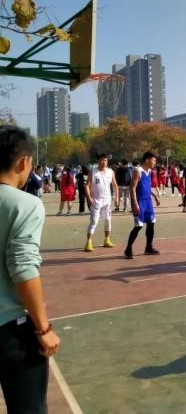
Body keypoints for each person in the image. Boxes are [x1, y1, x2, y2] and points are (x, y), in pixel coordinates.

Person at [0, 126, 61, 413]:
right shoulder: (25, 204)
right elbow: (23, 267)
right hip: (11, 331)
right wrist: (43, 327)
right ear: (23, 162)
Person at [124, 151, 161, 259]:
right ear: (147, 160)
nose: (155, 162)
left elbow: (147, 187)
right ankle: (128, 249)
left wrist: (155, 196)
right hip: (139, 201)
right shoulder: (138, 171)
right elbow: (132, 188)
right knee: (138, 226)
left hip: (148, 201)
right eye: (154, 160)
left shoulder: (149, 171)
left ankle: (148, 247)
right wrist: (135, 203)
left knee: (151, 223)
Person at [84, 154, 119, 252]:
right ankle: (88, 242)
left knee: (107, 219)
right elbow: (87, 186)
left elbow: (115, 185)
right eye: (102, 160)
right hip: (96, 200)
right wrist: (89, 198)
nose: (104, 162)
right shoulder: (93, 172)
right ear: (98, 161)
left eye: (106, 160)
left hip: (107, 200)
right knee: (94, 221)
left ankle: (107, 239)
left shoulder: (110, 172)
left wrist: (116, 198)